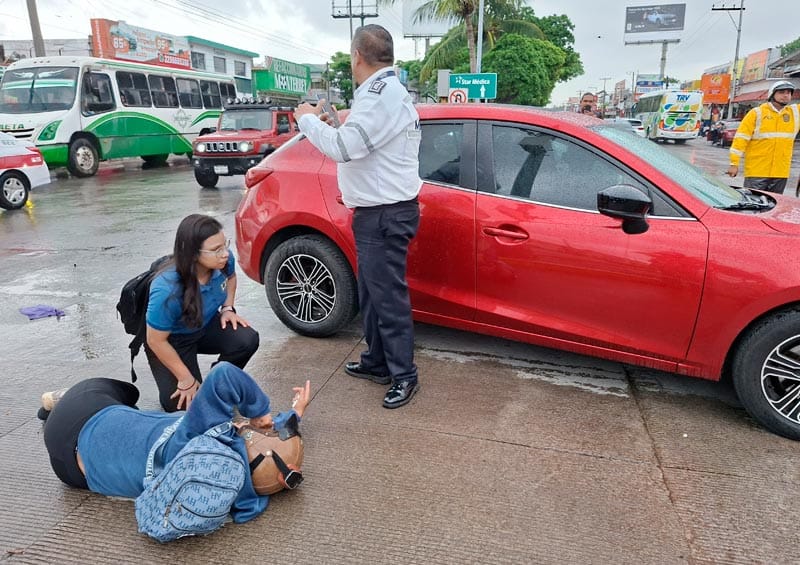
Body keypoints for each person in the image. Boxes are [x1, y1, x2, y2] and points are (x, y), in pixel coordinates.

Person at [294, 25, 421, 409]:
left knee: (388, 298)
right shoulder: (380, 94)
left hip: (384, 214)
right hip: (376, 214)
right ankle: (377, 362)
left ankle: (404, 375)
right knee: (370, 292)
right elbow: (363, 144)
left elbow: (346, 149)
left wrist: (307, 121)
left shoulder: (381, 95)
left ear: (356, 57)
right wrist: (335, 127)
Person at [41, 362, 310, 523]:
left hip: (83, 415)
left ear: (244, 435)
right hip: (74, 476)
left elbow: (224, 374)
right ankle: (54, 410)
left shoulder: (196, 438)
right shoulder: (233, 495)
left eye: (264, 430)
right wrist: (294, 414)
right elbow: (270, 460)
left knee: (127, 393)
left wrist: (261, 413)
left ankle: (56, 402)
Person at [146, 214, 259, 412]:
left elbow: (231, 278)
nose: (225, 253)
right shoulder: (167, 289)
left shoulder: (223, 261)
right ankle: (187, 381)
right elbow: (155, 340)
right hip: (172, 341)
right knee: (184, 406)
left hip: (203, 325)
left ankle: (217, 382)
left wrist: (227, 308)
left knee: (246, 338)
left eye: (225, 245)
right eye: (216, 250)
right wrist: (185, 378)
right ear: (193, 254)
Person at [727, 81, 799, 194]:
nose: (786, 95)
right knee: (754, 205)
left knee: (773, 207)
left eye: (789, 93)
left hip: (780, 173)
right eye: (781, 92)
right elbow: (740, 139)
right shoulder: (756, 113)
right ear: (772, 94)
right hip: (757, 172)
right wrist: (734, 164)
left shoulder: (794, 113)